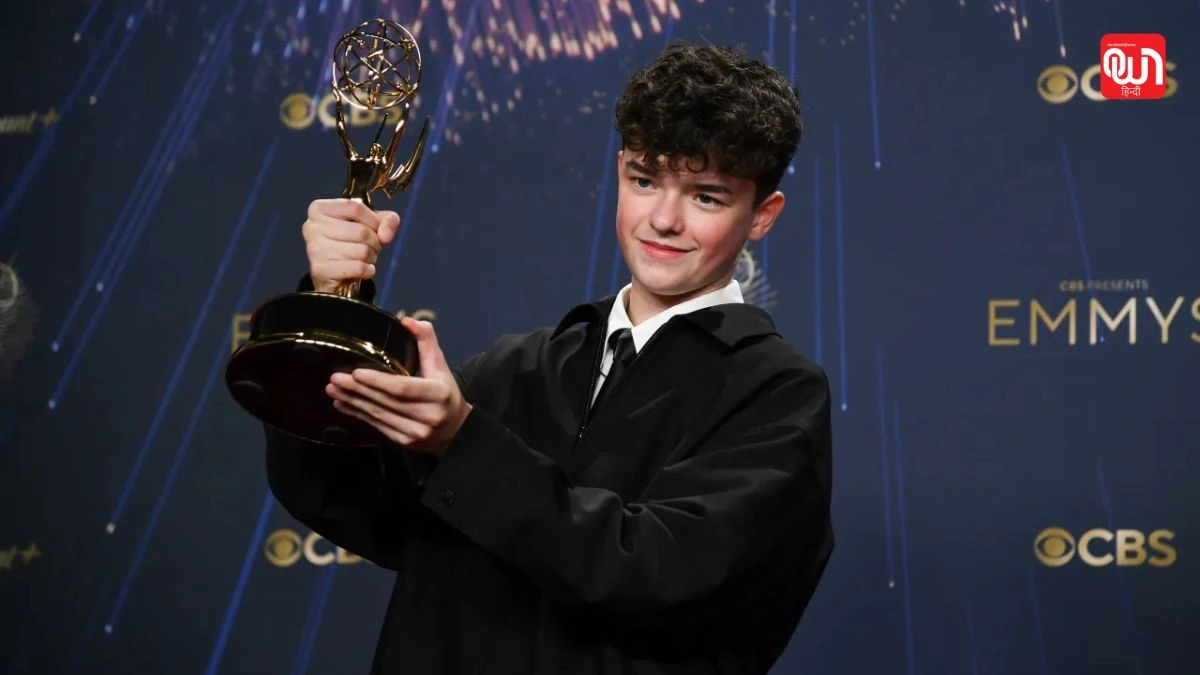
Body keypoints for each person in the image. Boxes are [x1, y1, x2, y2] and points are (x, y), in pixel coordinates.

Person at [265, 40, 834, 674]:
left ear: (762, 215)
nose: (663, 220)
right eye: (644, 180)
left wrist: (463, 443)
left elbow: (655, 573)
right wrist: (330, 304)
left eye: (706, 196)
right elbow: (347, 501)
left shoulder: (777, 395)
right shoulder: (517, 367)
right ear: (619, 172)